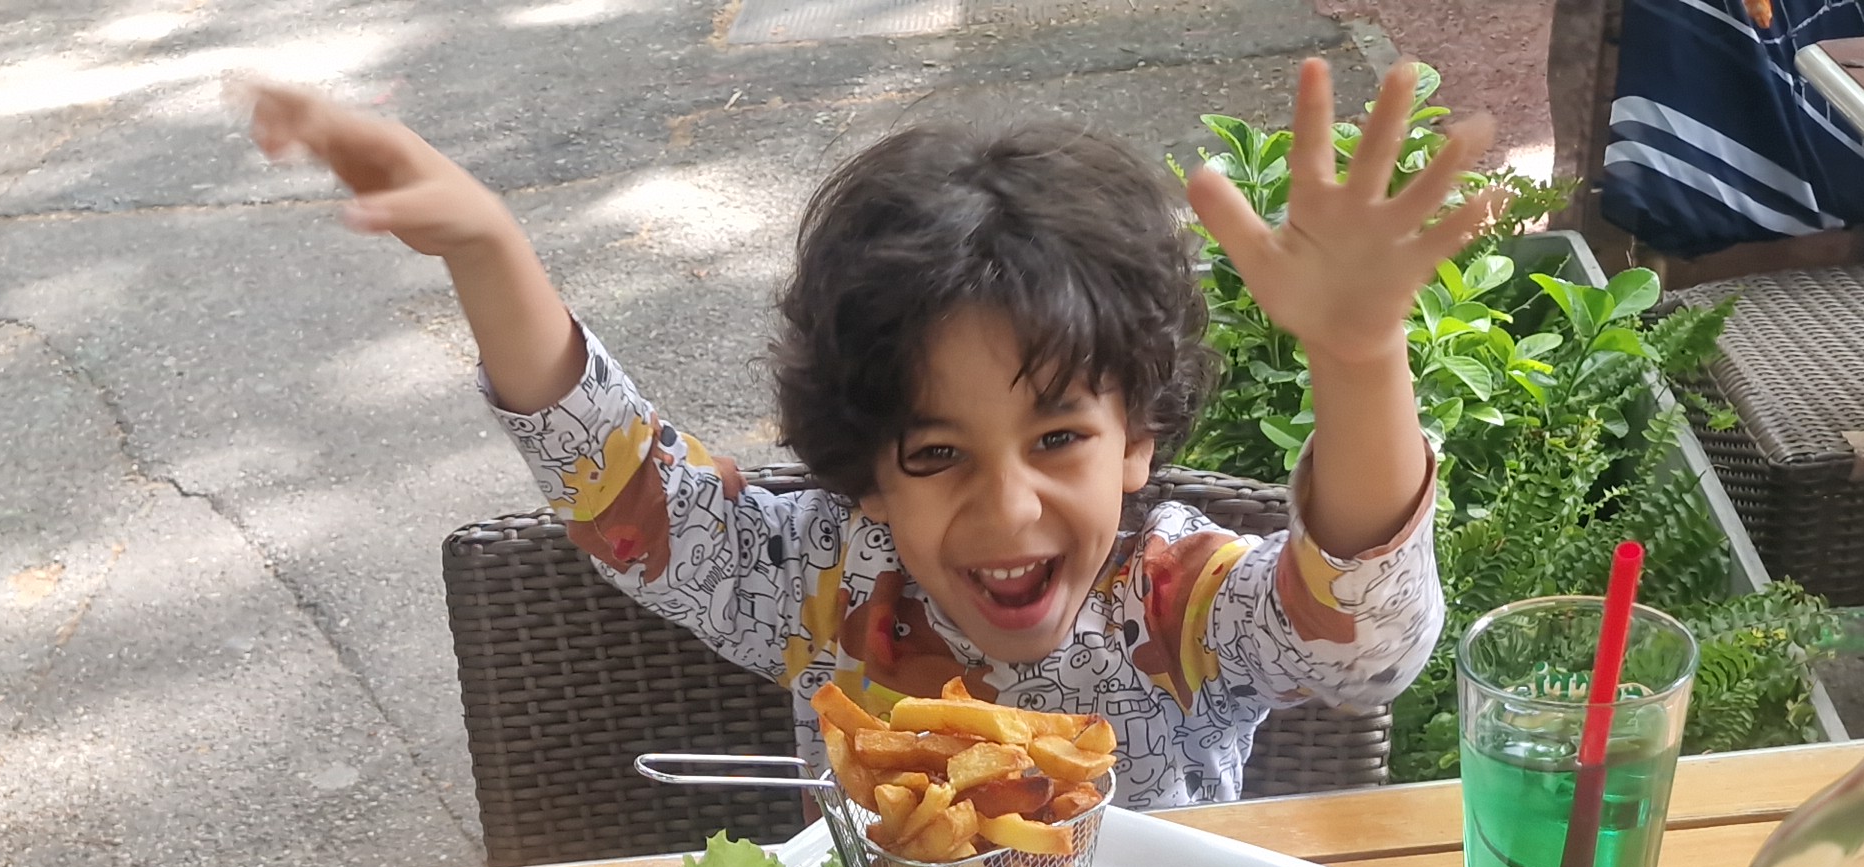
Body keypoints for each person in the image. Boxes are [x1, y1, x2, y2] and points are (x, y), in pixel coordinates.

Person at [248, 61, 1491, 808]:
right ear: (868, 474)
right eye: (936, 454)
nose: (1007, 510)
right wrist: (488, 250)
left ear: (1139, 440)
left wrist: (1358, 356)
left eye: (1058, 437)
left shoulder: (1185, 603)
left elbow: (1366, 649)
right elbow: (629, 498)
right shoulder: (824, 580)